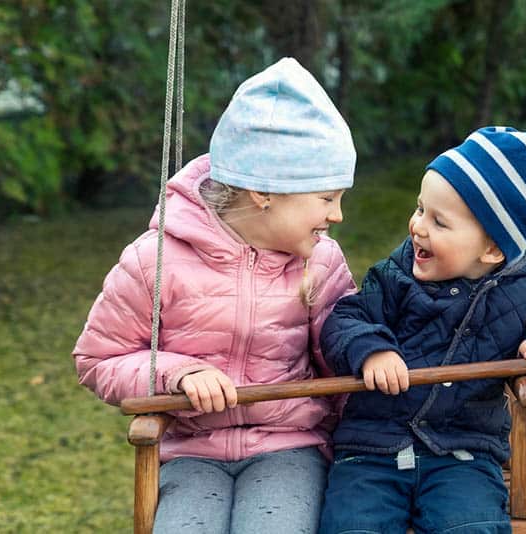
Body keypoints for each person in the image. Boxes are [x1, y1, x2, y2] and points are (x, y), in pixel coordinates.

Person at [73, 57, 357, 534]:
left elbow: (345, 358)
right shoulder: (156, 260)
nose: (338, 216)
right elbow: (98, 359)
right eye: (327, 198)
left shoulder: (321, 262)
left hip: (289, 448)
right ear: (268, 191)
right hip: (190, 452)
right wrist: (176, 374)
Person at [318, 126, 526, 534]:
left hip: (463, 453)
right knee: (352, 526)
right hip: (372, 447)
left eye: (439, 222)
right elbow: (344, 319)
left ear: (493, 249)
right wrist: (372, 350)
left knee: (471, 526)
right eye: (419, 209)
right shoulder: (395, 277)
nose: (418, 227)